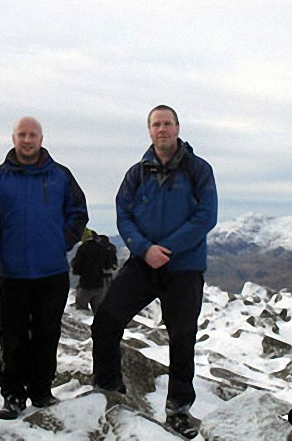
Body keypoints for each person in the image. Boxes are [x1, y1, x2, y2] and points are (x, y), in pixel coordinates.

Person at [91, 105, 218, 439]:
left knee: (181, 337)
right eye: (156, 124)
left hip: (184, 267)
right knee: (106, 318)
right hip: (143, 263)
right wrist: (144, 248)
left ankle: (178, 409)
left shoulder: (199, 170)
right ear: (149, 130)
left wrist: (169, 249)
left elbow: (206, 216)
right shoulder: (137, 173)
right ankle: (108, 387)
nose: (162, 129)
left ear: (177, 127)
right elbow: (123, 214)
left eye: (167, 123)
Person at [0, 117, 88, 420]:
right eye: (22, 135)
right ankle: (13, 394)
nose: (27, 140)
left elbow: (78, 212)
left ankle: (41, 390)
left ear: (42, 138)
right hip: (11, 273)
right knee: (12, 336)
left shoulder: (60, 176)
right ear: (13, 138)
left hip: (51, 271)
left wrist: (62, 241)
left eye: (32, 135)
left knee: (47, 333)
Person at [71, 228, 118, 313]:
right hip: (101, 284)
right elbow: (111, 265)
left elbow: (76, 269)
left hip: (86, 284)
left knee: (81, 310)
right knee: (99, 311)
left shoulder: (83, 248)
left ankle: (84, 326)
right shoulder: (105, 248)